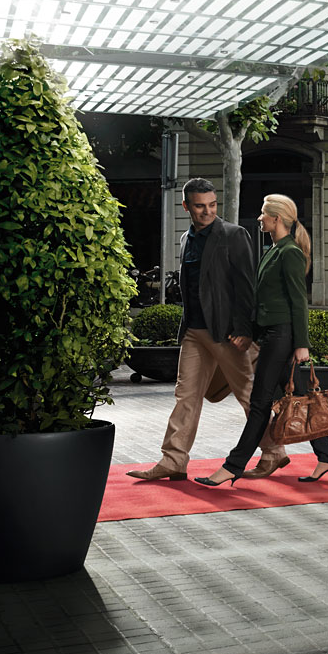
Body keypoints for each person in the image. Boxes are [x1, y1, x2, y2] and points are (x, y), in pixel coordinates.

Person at [127, 178, 288, 482]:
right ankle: (173, 460)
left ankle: (274, 452)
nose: (207, 211)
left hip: (227, 333)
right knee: (185, 395)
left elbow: (246, 286)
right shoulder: (186, 238)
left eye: (212, 205)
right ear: (186, 206)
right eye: (200, 206)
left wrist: (244, 329)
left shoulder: (233, 235)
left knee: (248, 394)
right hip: (194, 331)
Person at [196, 194, 328, 486]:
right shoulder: (274, 249)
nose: (259, 218)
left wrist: (302, 344)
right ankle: (327, 456)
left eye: (264, 214)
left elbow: (299, 301)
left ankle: (232, 466)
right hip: (271, 335)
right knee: (301, 397)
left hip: (282, 336)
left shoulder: (290, 253)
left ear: (276, 218)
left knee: (260, 403)